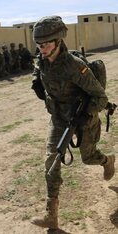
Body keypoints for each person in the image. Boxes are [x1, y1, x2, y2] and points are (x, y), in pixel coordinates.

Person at [31, 16, 115, 230]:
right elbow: (41, 77)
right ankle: (52, 215)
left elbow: (101, 98)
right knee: (51, 158)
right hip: (59, 119)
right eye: (39, 45)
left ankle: (107, 161)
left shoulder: (74, 66)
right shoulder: (41, 62)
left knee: (88, 158)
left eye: (47, 44)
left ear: (59, 41)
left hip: (83, 118)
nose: (42, 49)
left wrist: (85, 115)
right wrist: (38, 85)